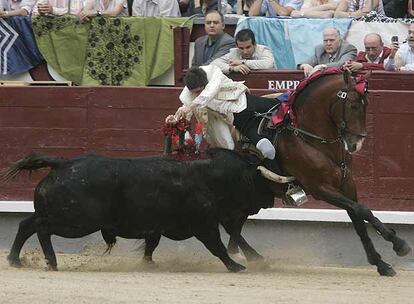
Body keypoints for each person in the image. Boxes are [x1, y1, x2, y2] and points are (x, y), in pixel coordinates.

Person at [166, 65, 278, 159]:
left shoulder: (213, 72)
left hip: (246, 102)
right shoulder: (186, 96)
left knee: (278, 103)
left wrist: (191, 106)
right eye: (194, 93)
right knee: (265, 148)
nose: (197, 94)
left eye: (199, 91)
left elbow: (210, 91)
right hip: (236, 118)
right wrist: (175, 119)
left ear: (205, 83)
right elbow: (185, 112)